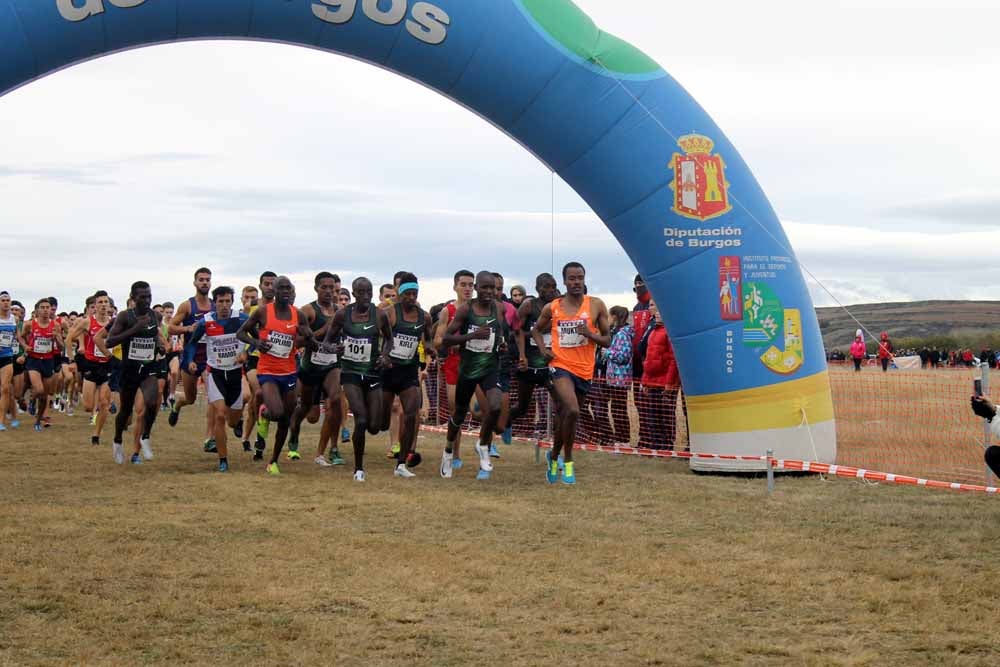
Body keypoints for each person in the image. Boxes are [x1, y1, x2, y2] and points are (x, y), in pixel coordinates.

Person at [531, 262, 610, 485]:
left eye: (580, 277)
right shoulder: (553, 307)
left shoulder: (595, 305)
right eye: (572, 278)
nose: (576, 282)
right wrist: (543, 349)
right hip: (560, 365)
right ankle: (568, 461)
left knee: (567, 416)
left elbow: (607, 340)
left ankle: (553, 455)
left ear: (584, 279)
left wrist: (589, 334)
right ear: (564, 281)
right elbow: (536, 330)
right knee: (572, 410)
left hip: (584, 369)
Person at [238, 276, 317, 476]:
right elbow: (241, 333)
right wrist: (257, 344)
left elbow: (308, 337)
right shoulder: (263, 311)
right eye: (281, 288)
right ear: (273, 290)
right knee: (277, 412)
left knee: (286, 419)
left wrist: (312, 339)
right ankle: (264, 412)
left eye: (288, 288)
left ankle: (273, 460)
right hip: (268, 371)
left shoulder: (297, 314)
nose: (285, 291)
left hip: (289, 371)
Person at [319, 277, 393, 482]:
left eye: (369, 291)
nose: (366, 296)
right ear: (354, 294)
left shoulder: (379, 315)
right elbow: (326, 342)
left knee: (374, 426)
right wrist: (334, 348)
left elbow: (389, 339)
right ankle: (359, 468)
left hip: (372, 373)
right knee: (360, 419)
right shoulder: (343, 314)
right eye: (361, 292)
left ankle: (370, 427)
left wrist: (385, 355)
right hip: (350, 373)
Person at [440, 271, 508, 480]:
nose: (489, 292)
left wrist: (501, 344)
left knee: (495, 407)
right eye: (485, 287)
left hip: (490, 367)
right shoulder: (465, 310)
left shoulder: (498, 307)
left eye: (493, 288)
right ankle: (448, 451)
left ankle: (483, 445)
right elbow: (446, 339)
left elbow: (500, 331)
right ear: (477, 288)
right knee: (459, 415)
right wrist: (472, 335)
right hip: (468, 370)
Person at [99, 281, 166, 465]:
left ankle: (145, 436)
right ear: (133, 298)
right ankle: (117, 440)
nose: (146, 300)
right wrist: (135, 329)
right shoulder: (124, 317)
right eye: (142, 297)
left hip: (148, 368)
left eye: (149, 296)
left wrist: (160, 346)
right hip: (129, 369)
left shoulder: (155, 316)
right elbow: (110, 342)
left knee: (153, 401)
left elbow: (155, 337)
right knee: (126, 411)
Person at [184, 286, 248, 472]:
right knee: (220, 415)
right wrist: (190, 361)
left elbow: (256, 339)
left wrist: (246, 353)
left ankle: (239, 420)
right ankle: (223, 459)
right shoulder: (206, 322)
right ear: (215, 303)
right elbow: (192, 344)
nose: (224, 305)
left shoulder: (241, 319)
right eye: (221, 301)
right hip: (215, 373)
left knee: (232, 421)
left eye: (228, 301)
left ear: (232, 302)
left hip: (236, 373)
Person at [380, 273, 435, 478]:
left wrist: (430, 349)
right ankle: (378, 422)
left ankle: (401, 464)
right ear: (400, 294)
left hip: (409, 372)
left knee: (411, 414)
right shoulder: (389, 313)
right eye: (408, 294)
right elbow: (379, 338)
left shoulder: (424, 316)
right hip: (388, 371)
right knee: (380, 423)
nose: (412, 298)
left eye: (415, 293)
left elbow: (427, 340)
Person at [287, 272, 345, 467]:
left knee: (335, 401)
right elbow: (296, 341)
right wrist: (322, 332)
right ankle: (294, 430)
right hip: (311, 366)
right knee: (308, 412)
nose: (329, 292)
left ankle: (331, 449)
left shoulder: (341, 312)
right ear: (316, 289)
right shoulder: (307, 311)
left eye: (332, 288)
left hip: (332, 364)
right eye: (324, 288)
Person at [167, 267, 215, 451]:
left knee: (213, 398)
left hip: (210, 358)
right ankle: (178, 404)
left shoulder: (214, 305)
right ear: (195, 282)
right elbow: (171, 327)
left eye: (207, 279)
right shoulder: (187, 306)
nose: (205, 282)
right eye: (201, 279)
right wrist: (188, 329)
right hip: (190, 357)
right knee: (191, 398)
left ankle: (209, 439)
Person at [433, 269, 475, 469]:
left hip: (477, 363)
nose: (467, 289)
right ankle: (454, 453)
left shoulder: (479, 309)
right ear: (455, 286)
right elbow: (438, 341)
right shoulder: (447, 311)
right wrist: (454, 343)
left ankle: (486, 444)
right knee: (456, 410)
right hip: (453, 364)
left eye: (470, 285)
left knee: (478, 410)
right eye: (463, 284)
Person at [510, 273, 558, 435]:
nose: (551, 290)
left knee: (562, 403)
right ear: (538, 288)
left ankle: (558, 442)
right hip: (531, 361)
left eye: (553, 286)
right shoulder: (529, 305)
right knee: (522, 407)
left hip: (551, 363)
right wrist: (522, 355)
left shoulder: (559, 305)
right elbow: (517, 331)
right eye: (547, 287)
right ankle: (504, 423)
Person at [65, 291, 114, 445]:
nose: (103, 305)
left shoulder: (115, 322)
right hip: (91, 365)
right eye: (100, 302)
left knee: (104, 403)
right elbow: (68, 339)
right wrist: (72, 360)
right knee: (87, 406)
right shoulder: (87, 322)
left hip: (108, 365)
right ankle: (90, 408)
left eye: (106, 302)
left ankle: (96, 435)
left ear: (110, 306)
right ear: (94, 306)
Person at [637, 301, 679, 450]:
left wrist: (669, 383)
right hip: (652, 382)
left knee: (666, 416)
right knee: (652, 416)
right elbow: (647, 359)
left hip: (664, 383)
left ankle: (667, 446)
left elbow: (674, 360)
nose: (657, 311)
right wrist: (645, 382)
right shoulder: (653, 331)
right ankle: (656, 446)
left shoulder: (670, 332)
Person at [18, 298, 64, 431]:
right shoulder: (30, 324)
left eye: (47, 307)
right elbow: (20, 337)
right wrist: (25, 346)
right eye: (42, 307)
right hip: (34, 360)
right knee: (39, 389)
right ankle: (31, 399)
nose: (45, 310)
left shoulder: (55, 325)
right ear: (37, 310)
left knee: (45, 395)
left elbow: (61, 348)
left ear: (51, 310)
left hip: (48, 361)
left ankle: (38, 421)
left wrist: (57, 338)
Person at [603, 305, 634, 445]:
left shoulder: (622, 334)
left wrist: (607, 353)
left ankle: (624, 439)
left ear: (615, 317)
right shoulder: (616, 332)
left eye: (610, 315)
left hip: (620, 378)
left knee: (619, 409)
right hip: (614, 378)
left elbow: (624, 356)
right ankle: (619, 438)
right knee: (616, 409)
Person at [0, 291, 18, 431]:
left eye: (8, 300)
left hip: (7, 357)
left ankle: (2, 421)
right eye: (3, 300)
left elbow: (17, 336)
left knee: (5, 388)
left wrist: (24, 347)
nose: (6, 302)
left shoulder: (14, 319)